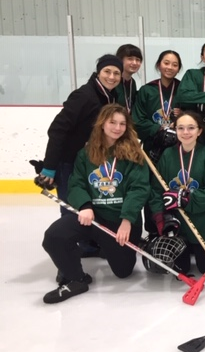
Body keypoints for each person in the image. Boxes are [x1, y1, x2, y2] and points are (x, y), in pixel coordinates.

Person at [41, 104, 149, 303]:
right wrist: (85, 206)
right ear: (102, 123)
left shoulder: (133, 154)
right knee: (54, 236)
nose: (117, 128)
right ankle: (76, 278)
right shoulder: (86, 153)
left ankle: (107, 247)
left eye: (122, 124)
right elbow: (76, 184)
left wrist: (127, 221)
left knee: (123, 271)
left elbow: (139, 189)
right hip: (92, 218)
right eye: (112, 122)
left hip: (119, 220)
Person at [36, 55, 123, 209]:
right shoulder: (84, 95)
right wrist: (50, 166)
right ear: (98, 72)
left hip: (87, 161)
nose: (111, 77)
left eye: (116, 73)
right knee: (72, 209)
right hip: (68, 162)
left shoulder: (110, 96)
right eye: (107, 71)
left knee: (85, 206)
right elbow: (57, 129)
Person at [149, 111, 205, 274]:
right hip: (176, 223)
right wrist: (159, 216)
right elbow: (156, 189)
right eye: (181, 128)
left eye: (191, 128)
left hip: (201, 223)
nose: (186, 132)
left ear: (199, 131)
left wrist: (187, 199)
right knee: (180, 269)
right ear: (175, 130)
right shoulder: (167, 155)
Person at [132, 50, 183, 237]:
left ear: (179, 68)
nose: (170, 67)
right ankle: (154, 229)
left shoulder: (183, 89)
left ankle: (177, 227)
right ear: (159, 65)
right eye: (166, 63)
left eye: (175, 64)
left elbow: (193, 118)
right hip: (153, 149)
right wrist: (158, 130)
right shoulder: (147, 90)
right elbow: (137, 121)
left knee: (175, 186)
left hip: (177, 149)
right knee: (153, 187)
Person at [115, 44, 143, 113]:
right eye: (130, 59)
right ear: (120, 59)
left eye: (138, 60)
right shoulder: (113, 81)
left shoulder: (132, 82)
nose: (134, 63)